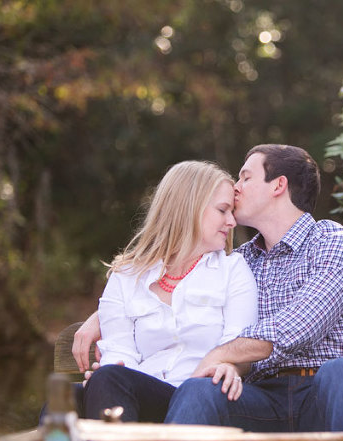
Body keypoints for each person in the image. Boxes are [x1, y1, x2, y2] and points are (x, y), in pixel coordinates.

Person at [74, 144, 343, 432]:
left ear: (278, 185)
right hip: (261, 398)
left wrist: (218, 356)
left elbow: (298, 326)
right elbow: (178, 282)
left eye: (245, 177)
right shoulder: (241, 261)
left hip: (325, 396)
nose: (236, 187)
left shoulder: (334, 244)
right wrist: (103, 316)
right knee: (200, 391)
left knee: (342, 371)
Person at [79, 160, 258, 423]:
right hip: (144, 394)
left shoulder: (233, 270)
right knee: (69, 398)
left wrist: (230, 364)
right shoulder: (127, 275)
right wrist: (110, 374)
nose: (231, 221)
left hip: (198, 396)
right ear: (188, 208)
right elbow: (118, 349)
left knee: (106, 382)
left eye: (232, 211)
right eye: (223, 210)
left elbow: (236, 342)